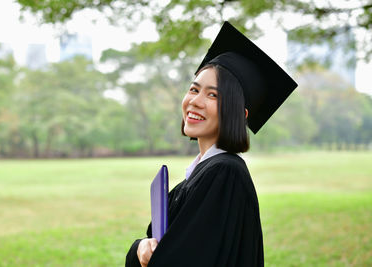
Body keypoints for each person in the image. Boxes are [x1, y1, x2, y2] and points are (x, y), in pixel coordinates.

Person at [125, 21, 297, 267]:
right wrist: (141, 246)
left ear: (240, 114)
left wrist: (138, 251)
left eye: (213, 95)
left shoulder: (224, 173)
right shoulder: (204, 172)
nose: (195, 101)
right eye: (194, 89)